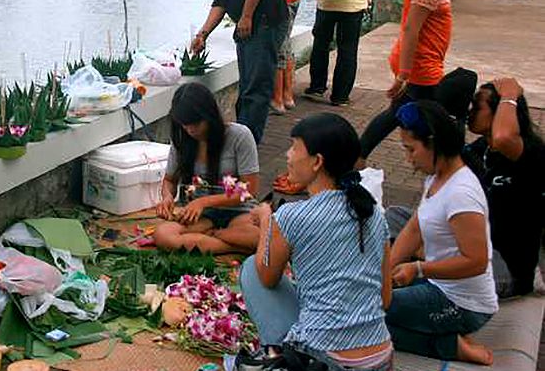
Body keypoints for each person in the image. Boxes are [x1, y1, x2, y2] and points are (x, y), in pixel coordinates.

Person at [241, 113, 393, 370]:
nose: (288, 156)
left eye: (294, 147)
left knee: (251, 270)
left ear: (317, 162)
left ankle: (275, 354)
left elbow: (266, 278)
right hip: (380, 357)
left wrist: (267, 219)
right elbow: (385, 298)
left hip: (326, 360)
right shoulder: (373, 214)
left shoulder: (291, 215)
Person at [387, 101, 497, 365]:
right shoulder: (436, 177)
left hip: (464, 305)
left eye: (411, 149)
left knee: (364, 317)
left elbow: (477, 261)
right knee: (368, 296)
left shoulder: (461, 193)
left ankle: (448, 345)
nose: (408, 158)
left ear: (433, 143)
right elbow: (414, 228)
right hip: (439, 287)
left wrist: (419, 269)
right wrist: (382, 270)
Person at [358, 0, 470, 160]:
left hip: (422, 64)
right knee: (438, 119)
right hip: (421, 66)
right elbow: (410, 30)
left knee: (398, 114)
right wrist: (404, 74)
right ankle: (451, 164)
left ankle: (359, 156)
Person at [190, 0, 289, 144]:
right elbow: (221, 0)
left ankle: (248, 145)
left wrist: (246, 16)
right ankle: (241, 138)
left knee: (256, 88)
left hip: (263, 22)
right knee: (247, 85)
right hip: (248, 27)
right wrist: (203, 33)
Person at [154, 83, 260, 254]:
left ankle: (212, 240)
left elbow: (249, 190)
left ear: (209, 115)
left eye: (196, 123)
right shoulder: (182, 140)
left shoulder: (239, 136)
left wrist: (203, 201)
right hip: (201, 216)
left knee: (258, 235)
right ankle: (232, 245)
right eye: (185, 124)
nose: (190, 130)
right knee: (163, 235)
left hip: (239, 212)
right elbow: (169, 180)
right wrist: (167, 197)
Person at [465, 78, 544, 298]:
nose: (471, 111)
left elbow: (504, 137)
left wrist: (510, 94)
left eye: (477, 106)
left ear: (500, 111)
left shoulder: (530, 154)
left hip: (506, 269)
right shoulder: (479, 150)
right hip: (476, 253)